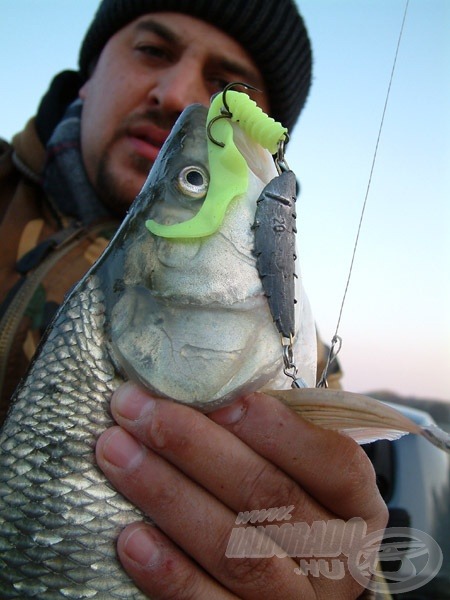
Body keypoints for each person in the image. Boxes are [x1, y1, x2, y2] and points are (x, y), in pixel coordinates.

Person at [0, 1, 388, 598]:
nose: (181, 95)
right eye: (153, 50)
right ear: (89, 73)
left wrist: (347, 585)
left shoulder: (307, 361)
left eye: (229, 86)